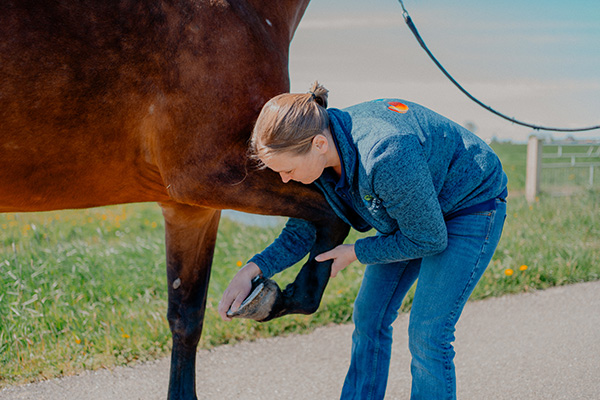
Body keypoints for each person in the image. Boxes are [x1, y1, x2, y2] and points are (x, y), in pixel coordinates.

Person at [218, 82, 507, 400]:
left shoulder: (384, 156)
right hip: (410, 214)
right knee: (370, 315)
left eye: (287, 170)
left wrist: (357, 251)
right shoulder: (320, 160)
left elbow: (428, 238)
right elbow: (304, 230)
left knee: (428, 333)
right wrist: (253, 269)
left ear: (318, 144)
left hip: (469, 205)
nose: (285, 180)